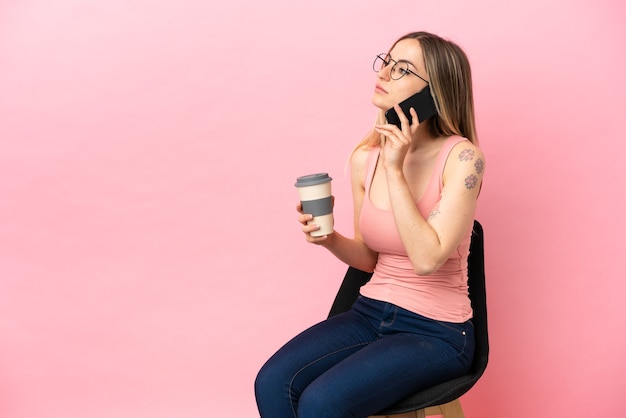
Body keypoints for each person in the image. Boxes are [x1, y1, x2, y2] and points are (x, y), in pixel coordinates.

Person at [255, 31, 485, 418]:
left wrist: (396, 169)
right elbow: (367, 259)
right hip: (370, 313)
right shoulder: (366, 158)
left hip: (436, 331)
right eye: (388, 61)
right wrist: (330, 239)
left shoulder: (463, 159)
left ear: (436, 91)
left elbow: (427, 258)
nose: (386, 72)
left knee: (322, 402)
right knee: (272, 382)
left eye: (404, 69)